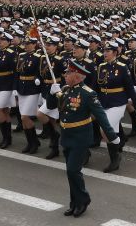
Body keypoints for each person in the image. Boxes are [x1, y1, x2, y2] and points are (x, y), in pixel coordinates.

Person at [46, 58, 118, 217]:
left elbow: (101, 116)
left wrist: (112, 136)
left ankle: (83, 199)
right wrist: (51, 93)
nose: (65, 75)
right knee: (70, 172)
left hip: (80, 137)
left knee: (73, 170)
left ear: (77, 76)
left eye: (68, 73)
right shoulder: (65, 90)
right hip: (66, 136)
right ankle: (74, 203)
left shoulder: (88, 93)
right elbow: (51, 106)